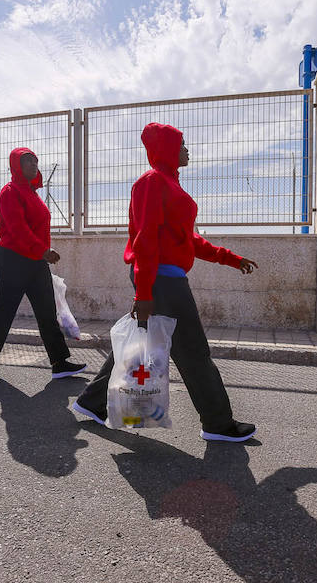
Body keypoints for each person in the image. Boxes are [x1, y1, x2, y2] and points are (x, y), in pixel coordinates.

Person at [71, 122, 259, 442]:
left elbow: (188, 241)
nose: (187, 150)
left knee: (138, 342)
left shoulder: (171, 184)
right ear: (167, 148)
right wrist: (144, 294)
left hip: (164, 278)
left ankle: (91, 402)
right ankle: (217, 423)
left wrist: (231, 258)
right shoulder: (152, 182)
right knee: (193, 351)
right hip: (160, 278)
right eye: (182, 144)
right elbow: (145, 240)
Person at [0, 148, 86, 381]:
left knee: (46, 312)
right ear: (15, 165)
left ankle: (59, 362)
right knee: (4, 311)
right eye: (27, 161)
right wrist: (43, 250)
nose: (33, 164)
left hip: (35, 261)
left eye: (35, 160)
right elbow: (18, 229)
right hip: (13, 259)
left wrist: (41, 253)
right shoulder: (10, 192)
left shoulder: (32, 193)